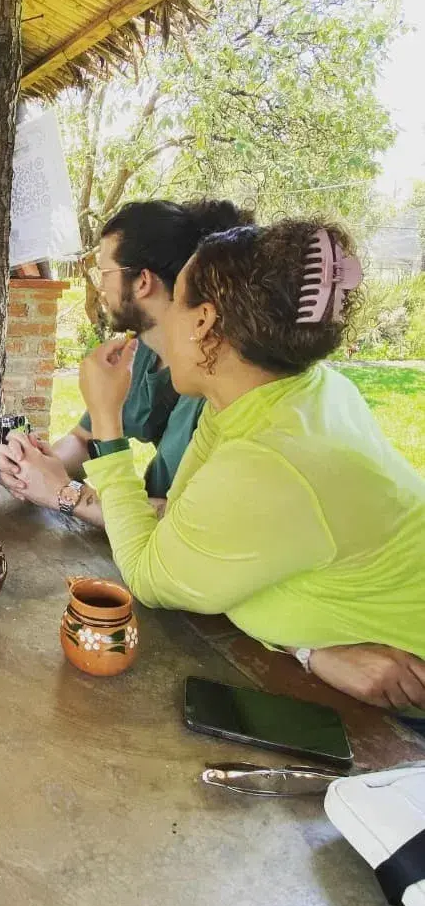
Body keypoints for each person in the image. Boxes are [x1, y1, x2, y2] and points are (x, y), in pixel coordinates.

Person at [79, 219, 425, 709]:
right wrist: (309, 650)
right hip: (342, 674)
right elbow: (181, 525)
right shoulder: (296, 392)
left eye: (175, 301)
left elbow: (149, 575)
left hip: (404, 706)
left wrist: (106, 425)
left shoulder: (267, 462)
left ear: (203, 321)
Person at [0, 199, 253, 522]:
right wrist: (32, 467)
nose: (100, 285)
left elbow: (192, 522)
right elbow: (83, 438)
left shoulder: (224, 384)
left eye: (104, 271)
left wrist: (64, 494)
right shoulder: (140, 352)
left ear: (143, 281)